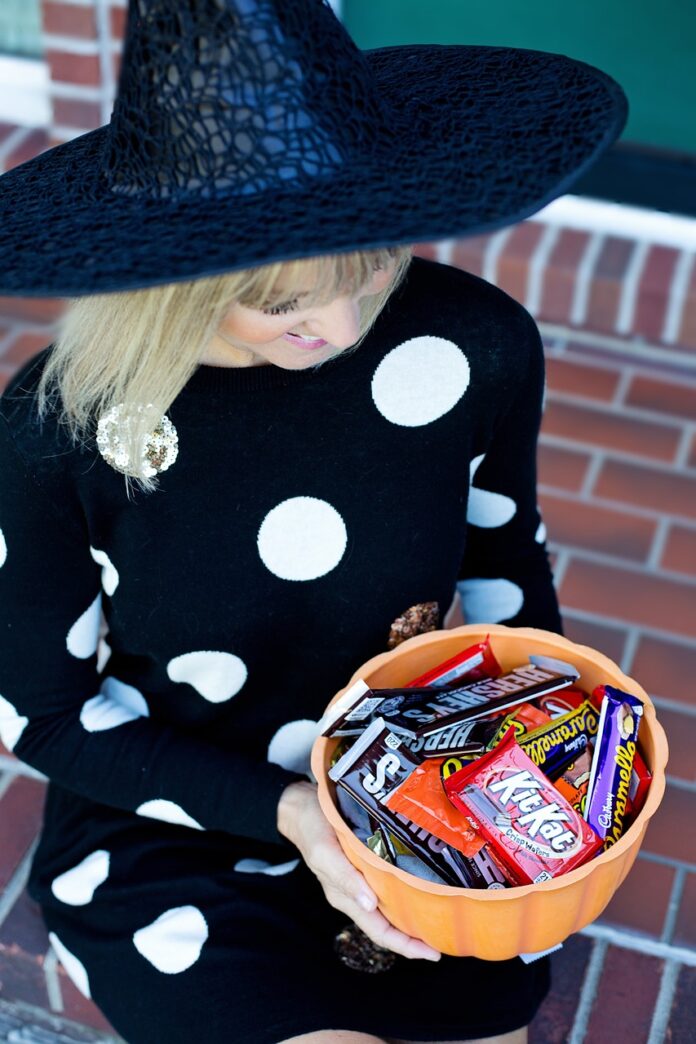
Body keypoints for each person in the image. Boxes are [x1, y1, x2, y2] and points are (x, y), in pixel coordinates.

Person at [0, 2, 627, 1042]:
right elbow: (48, 717)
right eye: (281, 300)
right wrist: (293, 812)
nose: (338, 326)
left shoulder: (478, 343)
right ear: (177, 273)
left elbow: (506, 568)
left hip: (431, 778)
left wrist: (554, 747)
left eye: (372, 259)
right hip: (175, 808)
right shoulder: (53, 426)